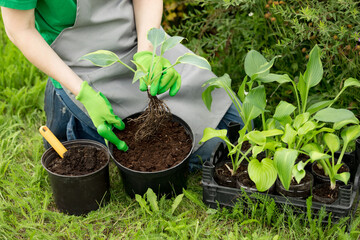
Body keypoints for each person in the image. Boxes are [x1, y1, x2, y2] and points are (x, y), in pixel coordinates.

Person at [0, 0, 243, 170]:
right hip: (82, 65)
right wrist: (82, 92)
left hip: (137, 36)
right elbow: (20, 30)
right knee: (205, 153)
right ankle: (72, 117)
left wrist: (148, 52)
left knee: (240, 127)